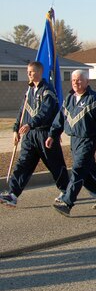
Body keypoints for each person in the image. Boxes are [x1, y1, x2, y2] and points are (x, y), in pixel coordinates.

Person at [0, 62, 69, 208]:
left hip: (45, 134)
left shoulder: (48, 91)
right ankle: (13, 194)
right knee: (23, 164)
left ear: (39, 72)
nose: (29, 75)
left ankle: (67, 191)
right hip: (29, 135)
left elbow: (46, 112)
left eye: (31, 72)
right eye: (28, 72)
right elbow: (22, 111)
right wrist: (15, 129)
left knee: (55, 165)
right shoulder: (29, 91)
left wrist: (31, 124)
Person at [48, 70, 96, 216]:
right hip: (74, 140)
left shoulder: (95, 99)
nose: (76, 83)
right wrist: (52, 135)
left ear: (86, 81)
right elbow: (60, 119)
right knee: (87, 172)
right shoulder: (69, 98)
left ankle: (67, 202)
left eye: (79, 80)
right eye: (73, 80)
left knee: (78, 170)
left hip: (88, 140)